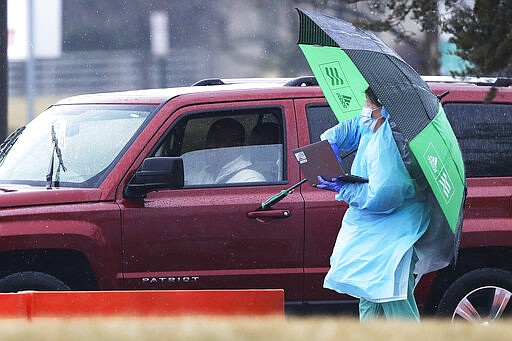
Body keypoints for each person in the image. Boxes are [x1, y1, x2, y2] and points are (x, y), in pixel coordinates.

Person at [316, 87, 431, 321]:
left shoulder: (390, 143)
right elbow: (348, 128)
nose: (365, 110)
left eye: (369, 104)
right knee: (369, 301)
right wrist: (331, 143)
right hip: (373, 235)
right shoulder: (372, 129)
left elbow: (385, 196)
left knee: (395, 302)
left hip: (394, 235)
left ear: (384, 109)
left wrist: (345, 189)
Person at [200, 118, 265, 184]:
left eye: (218, 141)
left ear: (236, 146)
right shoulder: (201, 174)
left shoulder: (250, 179)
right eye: (209, 140)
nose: (211, 146)